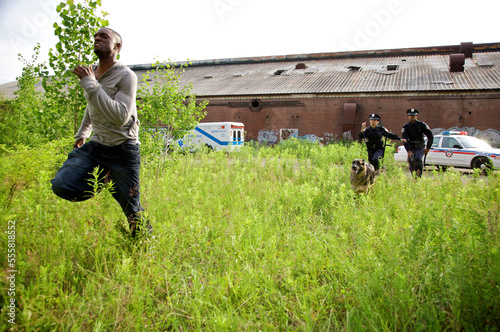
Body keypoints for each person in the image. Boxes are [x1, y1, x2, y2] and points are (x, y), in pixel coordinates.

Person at [51, 27, 151, 237]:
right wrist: (83, 131)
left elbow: (121, 116)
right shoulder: (93, 73)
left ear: (117, 46)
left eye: (104, 36)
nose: (97, 38)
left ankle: (144, 245)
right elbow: (93, 104)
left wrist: (91, 84)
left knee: (132, 210)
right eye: (95, 36)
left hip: (123, 150)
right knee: (62, 185)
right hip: (97, 146)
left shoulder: (126, 76)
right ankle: (106, 176)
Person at [401, 109, 434, 177]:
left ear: (416, 116)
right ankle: (414, 177)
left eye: (413, 116)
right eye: (410, 116)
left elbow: (430, 136)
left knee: (418, 159)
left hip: (420, 146)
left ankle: (418, 177)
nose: (412, 117)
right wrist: (408, 151)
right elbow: (405, 139)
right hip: (411, 147)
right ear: (408, 116)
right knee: (412, 162)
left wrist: (428, 148)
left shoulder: (422, 125)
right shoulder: (406, 127)